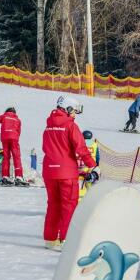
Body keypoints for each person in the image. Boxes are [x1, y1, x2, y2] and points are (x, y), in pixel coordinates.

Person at [42, 96, 97, 251]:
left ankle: (50, 239)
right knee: (69, 206)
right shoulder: (70, 126)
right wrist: (93, 166)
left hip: (49, 171)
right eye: (74, 112)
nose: (74, 115)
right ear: (67, 109)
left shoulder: (48, 126)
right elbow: (81, 149)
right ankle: (67, 240)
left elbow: (45, 147)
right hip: (66, 172)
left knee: (53, 205)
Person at [0, 107, 26, 185]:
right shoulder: (18, 120)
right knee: (16, 157)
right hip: (14, 139)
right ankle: (19, 177)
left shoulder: (4, 116)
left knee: (6, 157)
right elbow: (18, 132)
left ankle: (5, 177)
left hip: (5, 139)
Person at [77, 130, 101, 199]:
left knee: (81, 181)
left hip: (81, 165)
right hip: (91, 165)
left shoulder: (79, 143)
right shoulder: (94, 144)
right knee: (90, 180)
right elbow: (97, 156)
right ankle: (89, 195)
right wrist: (97, 165)